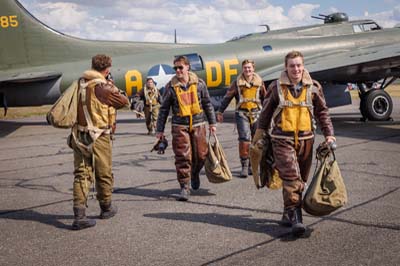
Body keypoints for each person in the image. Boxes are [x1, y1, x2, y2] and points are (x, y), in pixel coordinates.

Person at [255, 51, 335, 236]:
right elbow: (265, 114)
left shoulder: (313, 87)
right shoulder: (276, 87)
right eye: (292, 66)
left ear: (303, 66)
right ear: (286, 67)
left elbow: (322, 112)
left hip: (307, 139)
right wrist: (259, 136)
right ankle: (297, 219)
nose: (296, 69)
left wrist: (329, 134)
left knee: (302, 180)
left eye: (299, 65)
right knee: (291, 178)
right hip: (282, 140)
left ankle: (287, 211)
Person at [70, 54, 129, 230]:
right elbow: (123, 102)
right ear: (107, 69)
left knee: (81, 173)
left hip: (79, 135)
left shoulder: (80, 83)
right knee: (103, 172)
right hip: (99, 136)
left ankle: (79, 215)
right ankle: (106, 207)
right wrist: (111, 85)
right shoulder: (102, 87)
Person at [156, 56, 217, 201]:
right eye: (175, 68)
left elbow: (207, 104)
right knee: (183, 157)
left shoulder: (200, 84)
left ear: (187, 67)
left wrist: (212, 123)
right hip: (179, 126)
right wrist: (160, 130)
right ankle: (184, 186)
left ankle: (195, 173)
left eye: (180, 67)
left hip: (198, 124)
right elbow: (164, 109)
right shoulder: (170, 87)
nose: (177, 70)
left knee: (201, 155)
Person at [216, 59, 267, 178]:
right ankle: (244, 165)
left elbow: (266, 99)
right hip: (242, 114)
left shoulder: (260, 82)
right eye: (245, 68)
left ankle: (253, 165)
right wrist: (220, 111)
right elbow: (227, 98)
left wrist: (270, 114)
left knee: (257, 140)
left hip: (257, 113)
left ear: (253, 69)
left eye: (249, 68)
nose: (247, 70)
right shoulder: (236, 83)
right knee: (244, 139)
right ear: (242, 69)